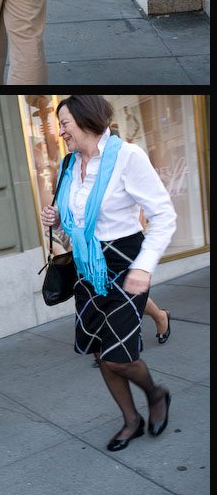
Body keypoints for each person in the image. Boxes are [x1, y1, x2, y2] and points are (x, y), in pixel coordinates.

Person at [40, 96, 176, 452]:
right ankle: (131, 419)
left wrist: (143, 268)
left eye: (65, 122)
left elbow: (164, 217)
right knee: (102, 353)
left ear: (86, 120)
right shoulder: (69, 163)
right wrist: (56, 221)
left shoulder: (127, 157)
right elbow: (78, 223)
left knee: (119, 356)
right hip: (88, 268)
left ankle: (156, 394)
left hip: (125, 262)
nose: (61, 131)